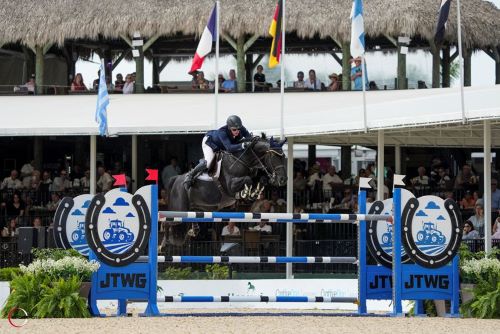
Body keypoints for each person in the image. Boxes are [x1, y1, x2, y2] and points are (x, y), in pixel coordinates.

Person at [183, 115, 252, 189]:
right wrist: (243, 145)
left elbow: (249, 138)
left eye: (238, 129)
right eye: (234, 130)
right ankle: (190, 175)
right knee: (208, 163)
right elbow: (229, 148)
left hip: (223, 145)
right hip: (210, 143)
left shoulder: (241, 128)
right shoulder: (222, 132)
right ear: (229, 128)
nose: (237, 131)